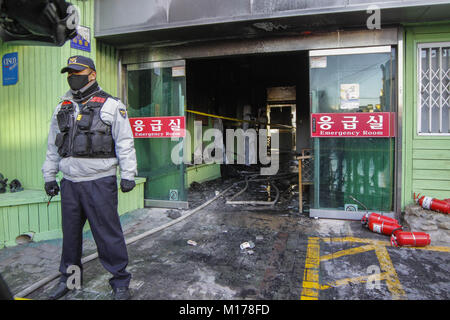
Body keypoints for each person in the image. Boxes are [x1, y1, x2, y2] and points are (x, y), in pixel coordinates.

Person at [42, 55, 137, 300]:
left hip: (100, 183)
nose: (72, 77)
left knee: (108, 235)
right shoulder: (62, 107)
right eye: (69, 73)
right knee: (71, 237)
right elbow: (53, 146)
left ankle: (120, 284)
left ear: (92, 74)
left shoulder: (112, 105)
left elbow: (125, 142)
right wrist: (49, 176)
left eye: (77, 72)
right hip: (70, 184)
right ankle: (70, 280)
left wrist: (128, 174)